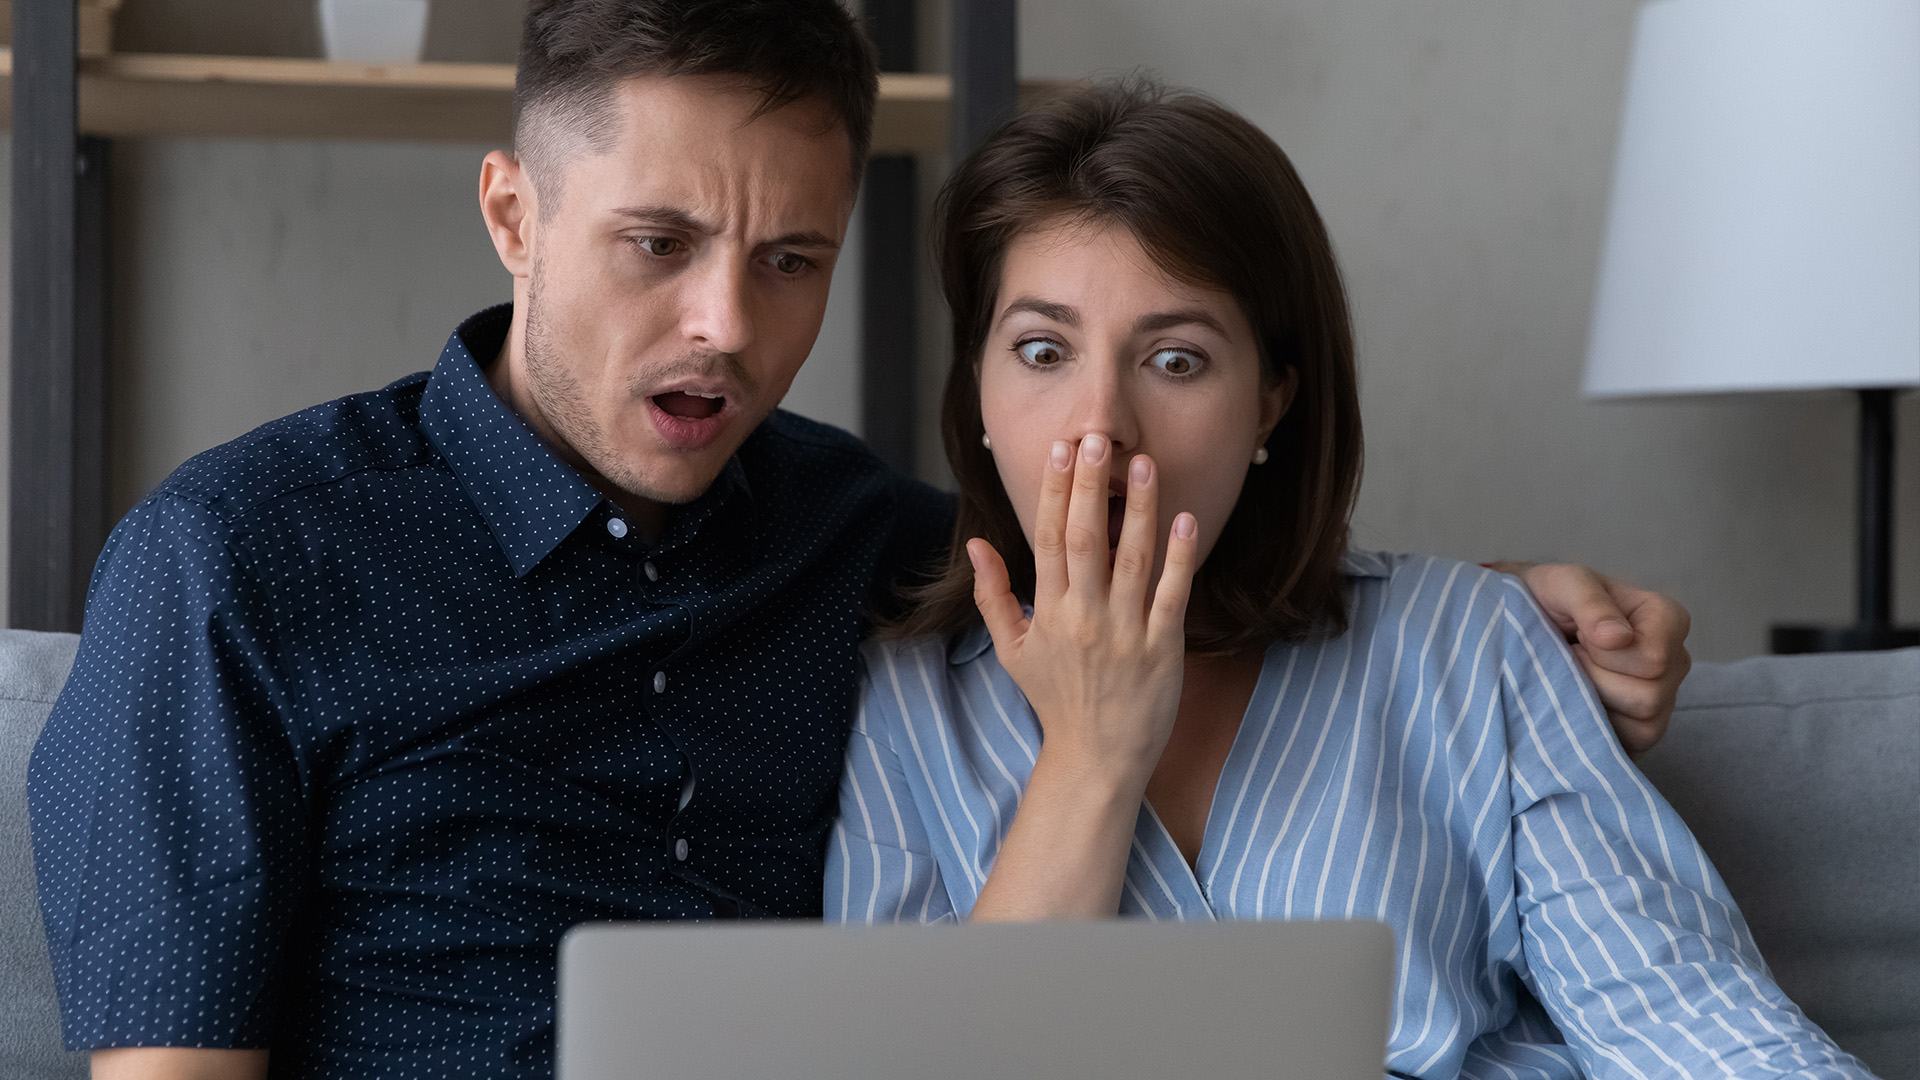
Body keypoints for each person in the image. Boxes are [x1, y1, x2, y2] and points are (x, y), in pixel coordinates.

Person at [28, 4, 1685, 1078]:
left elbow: (1150, 520)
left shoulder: (866, 541)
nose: (726, 328)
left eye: (792, 261)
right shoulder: (236, 560)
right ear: (513, 216)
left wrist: (1499, 605)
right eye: (657, 245)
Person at [826, 79, 1869, 1078]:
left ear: (1271, 404)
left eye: (1176, 360)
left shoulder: (1471, 646)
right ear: (977, 393)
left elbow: (1688, 1020)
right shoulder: (906, 713)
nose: (1101, 428)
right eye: (1044, 351)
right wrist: (1094, 753)